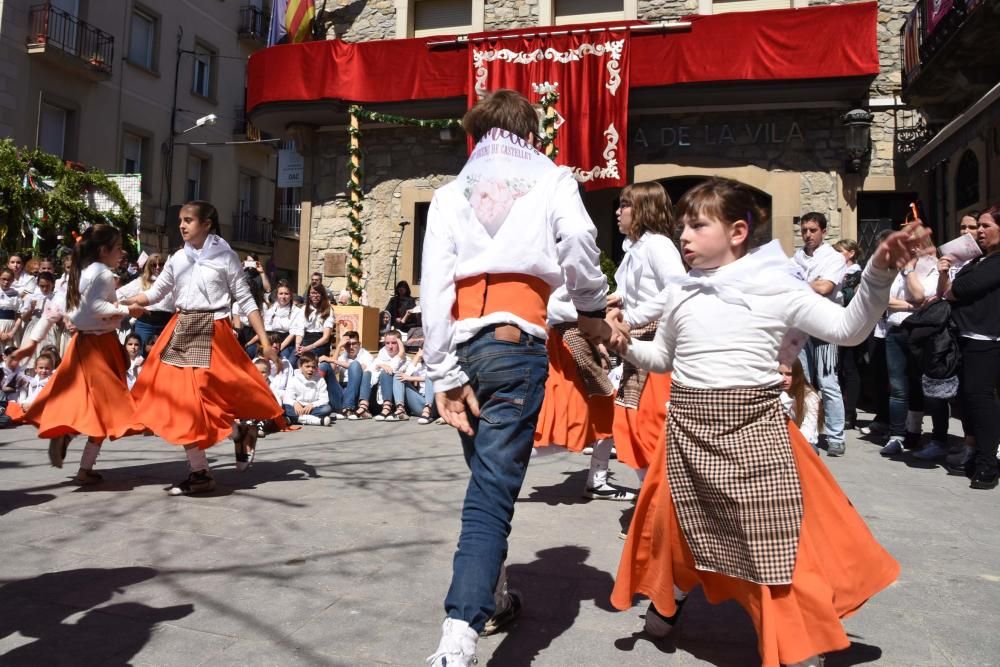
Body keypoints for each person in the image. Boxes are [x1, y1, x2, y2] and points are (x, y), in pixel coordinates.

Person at [610, 177, 914, 667]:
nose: (683, 235)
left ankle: (793, 638)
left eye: (696, 225)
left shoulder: (776, 287)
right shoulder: (681, 293)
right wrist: (623, 343)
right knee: (675, 527)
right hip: (686, 434)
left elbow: (848, 330)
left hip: (754, 436)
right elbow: (662, 357)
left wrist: (877, 273)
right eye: (682, 225)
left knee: (768, 539)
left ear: (736, 231)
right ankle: (670, 601)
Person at [421, 89, 608, 666]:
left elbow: (435, 286)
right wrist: (591, 302)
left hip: (464, 342)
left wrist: (442, 371)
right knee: (490, 493)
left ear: (477, 131)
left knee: (483, 479)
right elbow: (579, 241)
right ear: (530, 131)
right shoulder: (552, 180)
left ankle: (496, 596)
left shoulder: (452, 192)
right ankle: (459, 633)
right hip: (515, 343)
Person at [122, 201, 284, 493]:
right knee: (176, 400)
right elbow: (157, 292)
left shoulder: (225, 256)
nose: (182, 225)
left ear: (206, 224)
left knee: (201, 401)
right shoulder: (177, 257)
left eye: (188, 220)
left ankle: (223, 449)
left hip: (212, 331)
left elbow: (246, 300)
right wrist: (129, 303)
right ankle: (213, 458)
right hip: (181, 329)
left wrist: (263, 341)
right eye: (180, 220)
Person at [6, 225, 144, 483]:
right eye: (118, 247)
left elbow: (53, 311)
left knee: (86, 405)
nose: (122, 252)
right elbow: (94, 308)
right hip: (100, 346)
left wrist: (32, 343)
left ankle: (72, 446)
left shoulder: (77, 274)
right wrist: (127, 310)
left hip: (82, 345)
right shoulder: (102, 273)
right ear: (103, 251)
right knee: (106, 410)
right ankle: (83, 466)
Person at [605, 182, 685, 499]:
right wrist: (612, 300)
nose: (618, 211)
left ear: (641, 210)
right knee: (627, 421)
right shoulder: (636, 248)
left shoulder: (658, 246)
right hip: (637, 341)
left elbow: (675, 288)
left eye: (624, 205)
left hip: (656, 341)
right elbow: (632, 291)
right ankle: (652, 492)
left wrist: (632, 317)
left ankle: (663, 497)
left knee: (648, 423)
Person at [534, 283, 634, 501]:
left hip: (572, 342)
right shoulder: (565, 257)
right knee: (577, 423)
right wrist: (596, 312)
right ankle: (501, 459)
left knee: (599, 414)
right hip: (569, 346)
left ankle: (597, 481)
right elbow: (550, 307)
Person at [879, 234, 950, 458]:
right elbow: (885, 299)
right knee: (898, 387)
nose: (911, 250)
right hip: (896, 330)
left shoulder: (931, 270)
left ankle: (931, 437)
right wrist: (913, 306)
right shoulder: (896, 269)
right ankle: (897, 436)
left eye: (915, 245)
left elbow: (924, 295)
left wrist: (910, 272)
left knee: (928, 387)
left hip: (922, 333)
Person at [944, 207, 1000, 489]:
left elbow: (961, 290)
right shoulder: (978, 261)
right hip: (964, 338)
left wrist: (955, 288)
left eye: (986, 226)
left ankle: (989, 464)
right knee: (967, 401)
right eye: (978, 226)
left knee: (981, 402)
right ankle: (977, 454)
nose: (979, 231)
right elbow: (949, 290)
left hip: (986, 341)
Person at [793, 212, 848, 456]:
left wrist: (799, 285)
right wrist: (810, 283)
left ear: (823, 232)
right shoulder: (796, 257)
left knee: (828, 383)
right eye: (804, 230)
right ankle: (808, 433)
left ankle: (836, 435)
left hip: (825, 324)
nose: (807, 235)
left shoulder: (834, 258)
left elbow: (826, 287)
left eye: (812, 230)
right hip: (802, 324)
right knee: (803, 383)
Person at [832, 239, 863, 430]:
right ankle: (840, 408)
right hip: (836, 323)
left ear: (851, 253)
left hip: (852, 325)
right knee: (839, 368)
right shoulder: (837, 272)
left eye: (840, 252)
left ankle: (850, 411)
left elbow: (854, 299)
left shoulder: (857, 274)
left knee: (850, 368)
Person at [116, 254, 173, 347]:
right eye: (154, 265)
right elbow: (119, 294)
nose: (158, 267)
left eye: (161, 264)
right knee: (142, 353)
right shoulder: (141, 281)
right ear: (149, 267)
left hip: (166, 322)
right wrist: (128, 307)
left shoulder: (171, 281)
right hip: (146, 323)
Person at [325, 330, 375, 419]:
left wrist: (333, 360)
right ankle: (345, 408)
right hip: (342, 389)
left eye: (354, 344)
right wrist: (338, 347)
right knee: (325, 366)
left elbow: (359, 368)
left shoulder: (366, 355)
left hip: (357, 393)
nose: (351, 347)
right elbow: (332, 370)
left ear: (359, 344)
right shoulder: (342, 356)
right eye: (347, 344)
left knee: (355, 364)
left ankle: (348, 407)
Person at [282, 352, 334, 426]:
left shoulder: (320, 380)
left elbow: (325, 399)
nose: (311, 369)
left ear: (317, 368)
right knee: (284, 408)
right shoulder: (294, 379)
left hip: (312, 408)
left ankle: (296, 419)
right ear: (300, 367)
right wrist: (295, 403)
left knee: (327, 409)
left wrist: (312, 405)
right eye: (307, 366)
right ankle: (314, 421)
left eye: (314, 367)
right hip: (297, 407)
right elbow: (287, 398)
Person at [779, 360, 822, 449]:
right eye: (780, 374)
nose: (783, 379)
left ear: (797, 375)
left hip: (802, 444)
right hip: (779, 441)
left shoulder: (809, 396)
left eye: (789, 374)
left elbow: (808, 432)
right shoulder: (772, 392)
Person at [254, 281, 296, 363]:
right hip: (270, 340)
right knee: (253, 352)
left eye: (286, 294)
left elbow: (292, 334)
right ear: (277, 295)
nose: (283, 296)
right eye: (281, 293)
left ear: (291, 296)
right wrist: (267, 345)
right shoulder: (271, 310)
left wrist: (279, 348)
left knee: (284, 358)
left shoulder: (296, 311)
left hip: (286, 343)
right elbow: (266, 329)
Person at [373, 330, 408, 421]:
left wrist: (401, 353)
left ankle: (394, 409)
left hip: (401, 398)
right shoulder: (380, 356)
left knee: (391, 373)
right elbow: (370, 372)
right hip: (379, 398)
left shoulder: (406, 360)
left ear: (400, 344)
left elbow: (392, 369)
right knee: (382, 373)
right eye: (387, 343)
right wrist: (381, 365)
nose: (390, 346)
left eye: (394, 343)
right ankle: (386, 407)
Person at [291, 284, 334, 360]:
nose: (315, 295)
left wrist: (308, 348)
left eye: (318, 293)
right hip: (305, 341)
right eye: (313, 293)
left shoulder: (328, 310)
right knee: (292, 360)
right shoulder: (304, 309)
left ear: (322, 294)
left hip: (320, 344)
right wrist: (298, 346)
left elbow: (326, 337)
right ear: (309, 295)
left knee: (306, 359)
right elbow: (300, 330)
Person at [394, 346, 436, 423]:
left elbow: (435, 377)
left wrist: (411, 378)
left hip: (435, 403)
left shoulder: (441, 364)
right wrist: (417, 356)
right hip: (420, 401)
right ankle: (400, 409)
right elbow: (406, 375)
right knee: (398, 375)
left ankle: (427, 410)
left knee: (430, 376)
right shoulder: (420, 366)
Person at [0, 268, 24, 345]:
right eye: (4, 279)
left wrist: (11, 333)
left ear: (13, 280)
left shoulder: (15, 295)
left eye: (9, 280)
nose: (6, 282)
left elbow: (19, 316)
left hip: (11, 329)